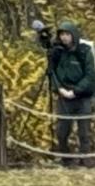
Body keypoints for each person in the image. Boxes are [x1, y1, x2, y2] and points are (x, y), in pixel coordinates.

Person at [40, 22, 95, 163]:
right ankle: (65, 159)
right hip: (64, 95)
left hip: (82, 97)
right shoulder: (58, 52)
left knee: (84, 132)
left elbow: (90, 75)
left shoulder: (84, 51)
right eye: (62, 35)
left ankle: (86, 160)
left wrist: (75, 91)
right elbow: (52, 73)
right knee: (62, 131)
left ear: (73, 35)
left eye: (67, 34)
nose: (64, 38)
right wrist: (60, 89)